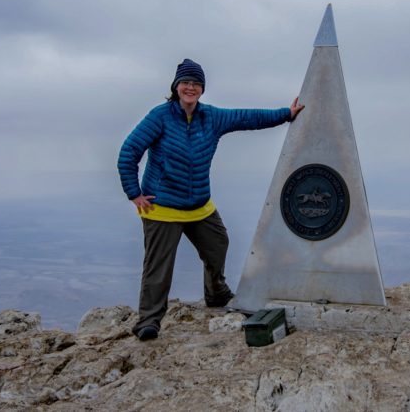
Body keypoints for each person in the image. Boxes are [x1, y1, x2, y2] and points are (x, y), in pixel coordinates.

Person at [118, 58, 304, 341]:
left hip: (199, 205)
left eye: (196, 83)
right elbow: (128, 152)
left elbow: (247, 117)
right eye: (186, 83)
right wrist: (134, 193)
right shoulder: (160, 117)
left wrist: (286, 114)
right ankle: (149, 321)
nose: (190, 88)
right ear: (176, 86)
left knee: (218, 244)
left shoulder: (211, 117)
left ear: (202, 89)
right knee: (158, 267)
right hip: (163, 208)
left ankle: (216, 293)